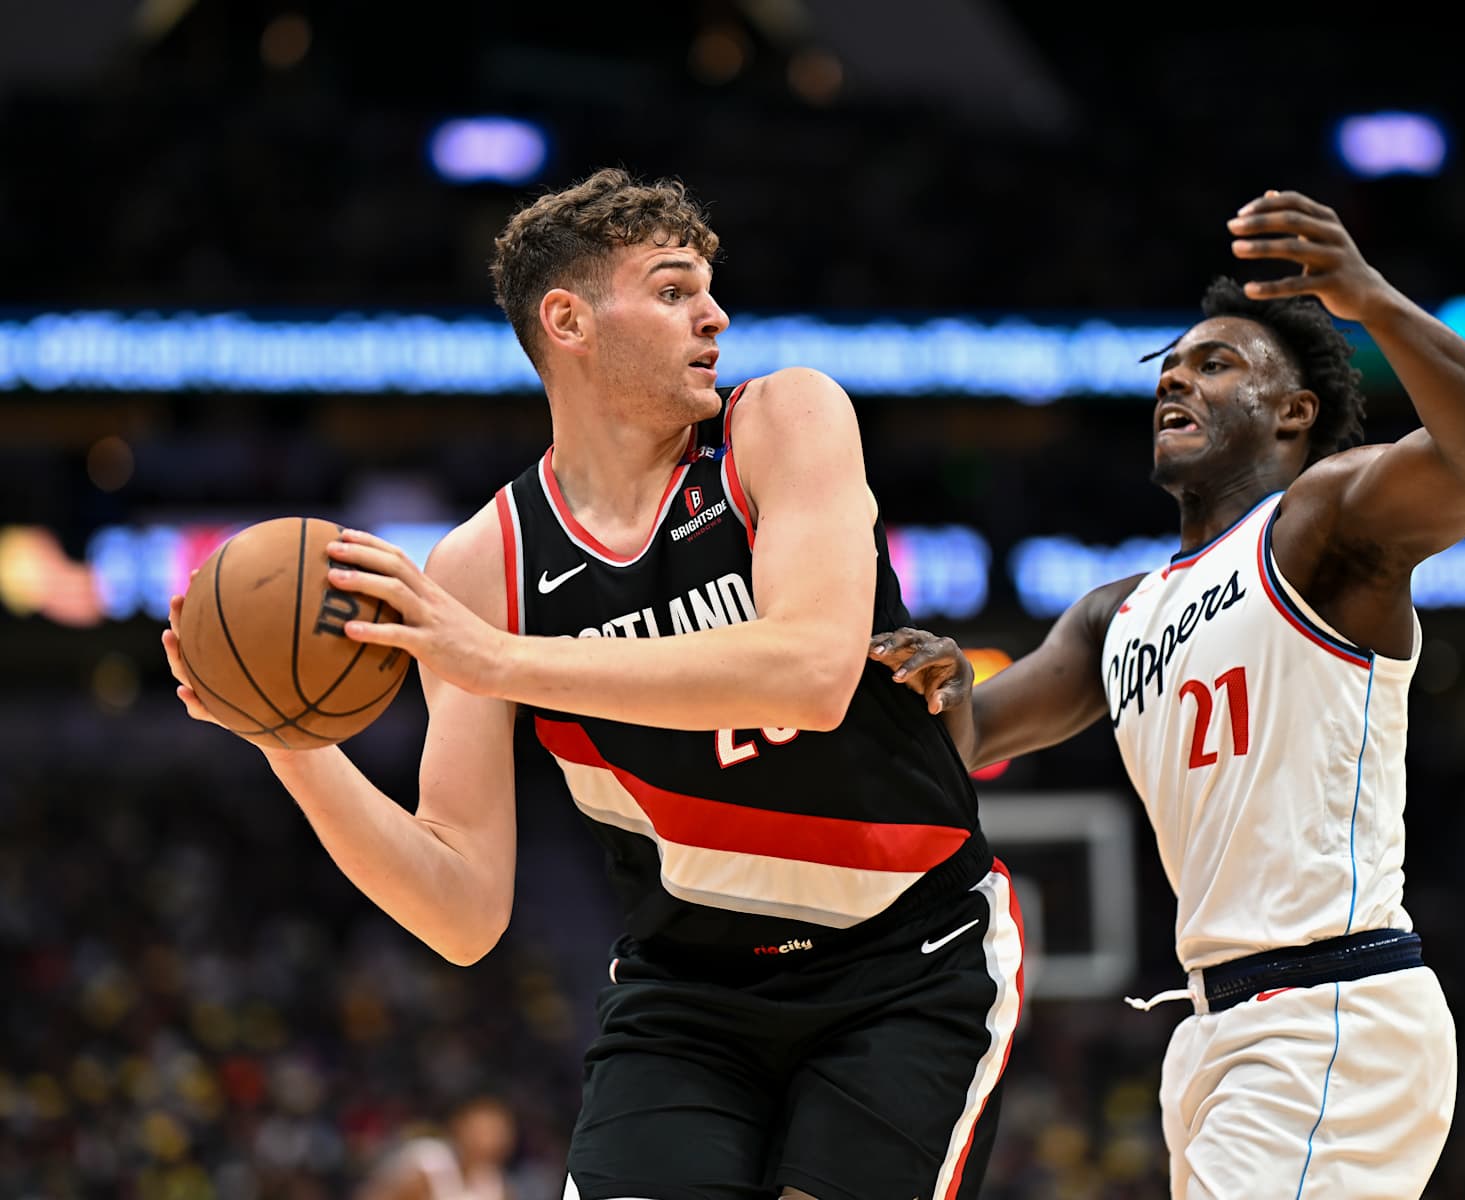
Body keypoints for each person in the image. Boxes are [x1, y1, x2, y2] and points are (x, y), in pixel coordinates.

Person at [162, 167, 1022, 1200]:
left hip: (904, 959)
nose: (715, 316)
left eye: (709, 290)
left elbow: (809, 674)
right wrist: (290, 744)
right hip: (689, 993)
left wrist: (498, 658)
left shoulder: (785, 421)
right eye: (673, 291)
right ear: (568, 320)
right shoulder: (487, 565)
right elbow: (461, 909)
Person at [871, 189, 1465, 1199]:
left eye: (1215, 363)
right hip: (1217, 1025)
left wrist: (1372, 301)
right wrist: (945, 679)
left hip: (1327, 1001)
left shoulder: (1318, 525)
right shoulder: (1116, 614)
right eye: (1170, 366)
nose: (1175, 376)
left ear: (1293, 412)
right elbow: (969, 739)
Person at [357, 1096, 516, 1200]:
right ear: (459, 1127)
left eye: (498, 1133)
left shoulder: (493, 1182)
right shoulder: (431, 1163)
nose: (489, 1141)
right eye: (482, 1132)